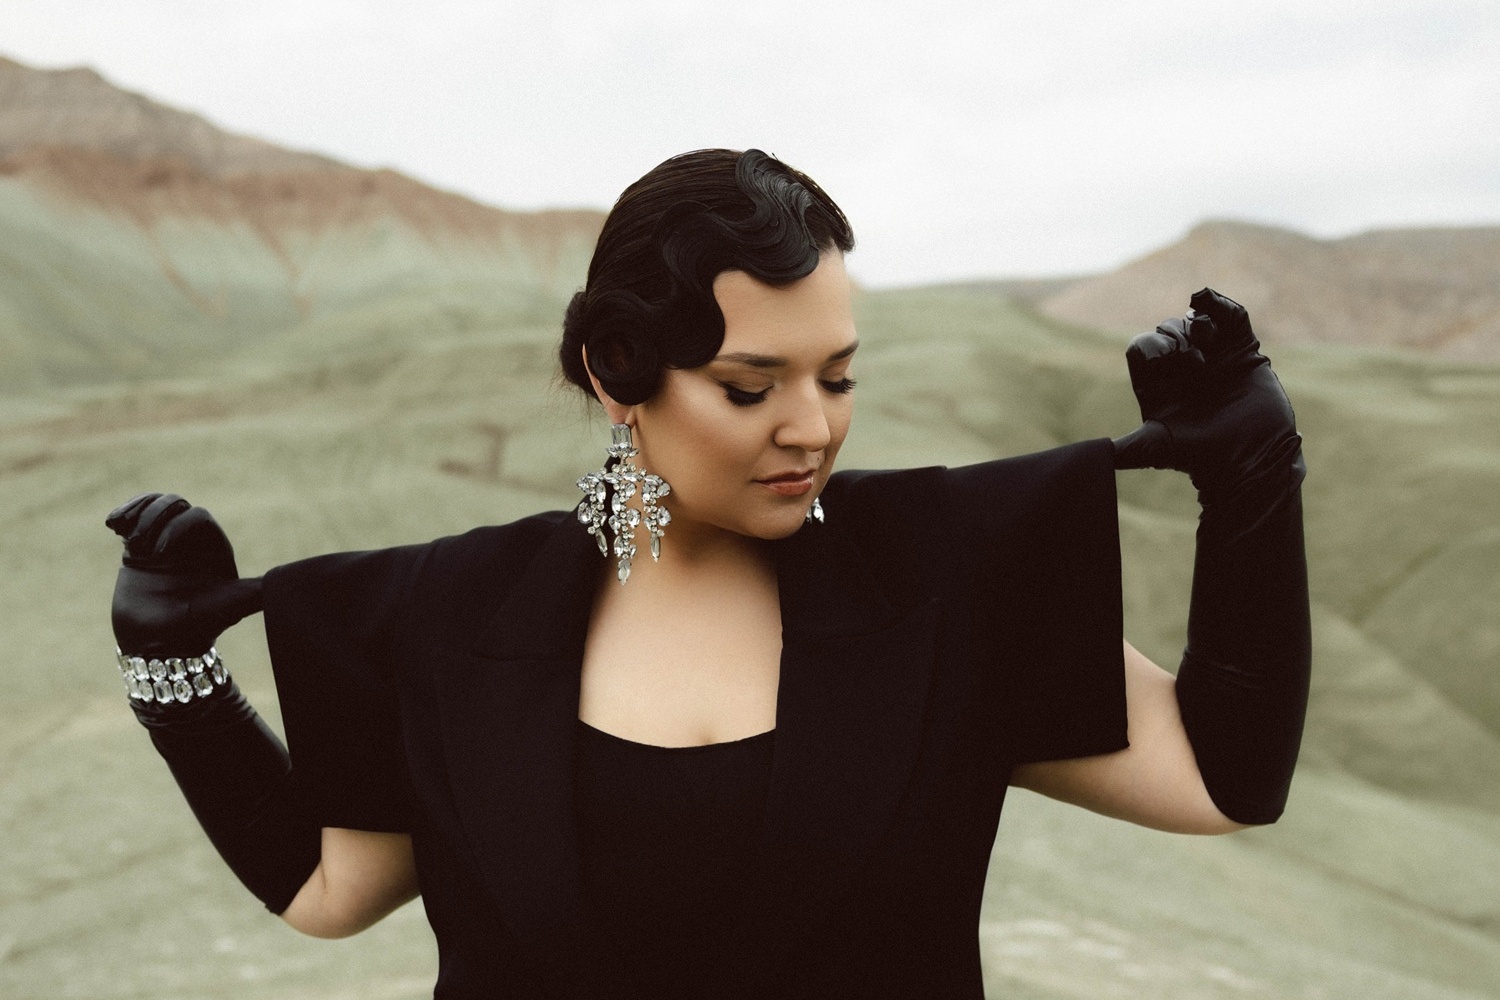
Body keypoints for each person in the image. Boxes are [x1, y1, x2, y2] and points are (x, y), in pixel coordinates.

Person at [106, 148, 1309, 999]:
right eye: (749, 387)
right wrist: (174, 678)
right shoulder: (449, 615)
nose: (811, 427)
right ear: (617, 370)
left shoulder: (943, 581)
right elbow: (329, 888)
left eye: (837, 376)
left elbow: (1222, 776)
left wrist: (1253, 480)